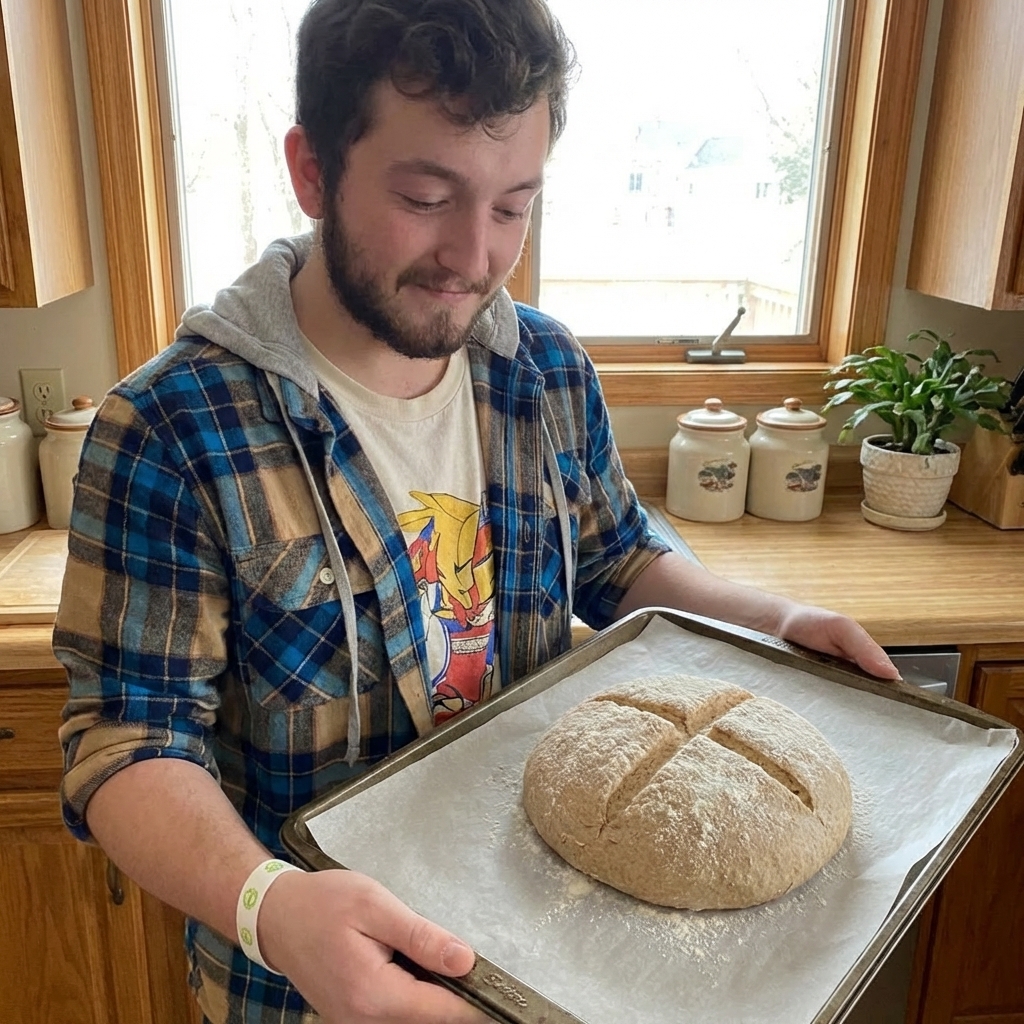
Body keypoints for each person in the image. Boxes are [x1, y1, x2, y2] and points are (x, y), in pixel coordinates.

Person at [55, 0, 898, 1021]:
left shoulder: (542, 369)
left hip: (549, 959)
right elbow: (130, 742)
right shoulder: (170, 428)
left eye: (512, 206)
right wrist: (276, 910)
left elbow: (619, 561)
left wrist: (773, 622)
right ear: (312, 171)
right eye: (425, 196)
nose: (473, 255)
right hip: (302, 980)